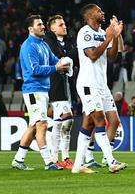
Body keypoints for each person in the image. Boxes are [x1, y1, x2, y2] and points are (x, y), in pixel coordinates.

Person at [10, 15, 70, 171]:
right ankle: (49, 162)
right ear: (31, 28)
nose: (43, 26)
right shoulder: (28, 46)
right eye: (39, 24)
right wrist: (56, 68)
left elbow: (54, 60)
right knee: (42, 124)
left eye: (43, 24)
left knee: (33, 126)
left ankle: (18, 159)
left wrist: (66, 62)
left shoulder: (43, 45)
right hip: (33, 90)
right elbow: (34, 70)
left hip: (43, 90)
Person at [72, 4, 127, 174]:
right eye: (98, 11)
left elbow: (112, 56)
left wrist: (115, 37)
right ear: (89, 15)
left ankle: (77, 166)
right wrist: (108, 38)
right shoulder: (85, 32)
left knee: (98, 122)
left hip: (102, 85)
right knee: (100, 121)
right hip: (88, 84)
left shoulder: (103, 33)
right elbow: (93, 55)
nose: (102, 13)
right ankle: (110, 161)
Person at [44, 15, 77, 169]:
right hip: (56, 85)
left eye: (64, 24)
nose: (64, 26)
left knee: (62, 123)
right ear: (52, 28)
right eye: (61, 24)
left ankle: (62, 158)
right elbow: (60, 60)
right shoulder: (49, 42)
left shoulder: (69, 42)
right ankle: (57, 157)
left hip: (68, 86)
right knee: (67, 119)